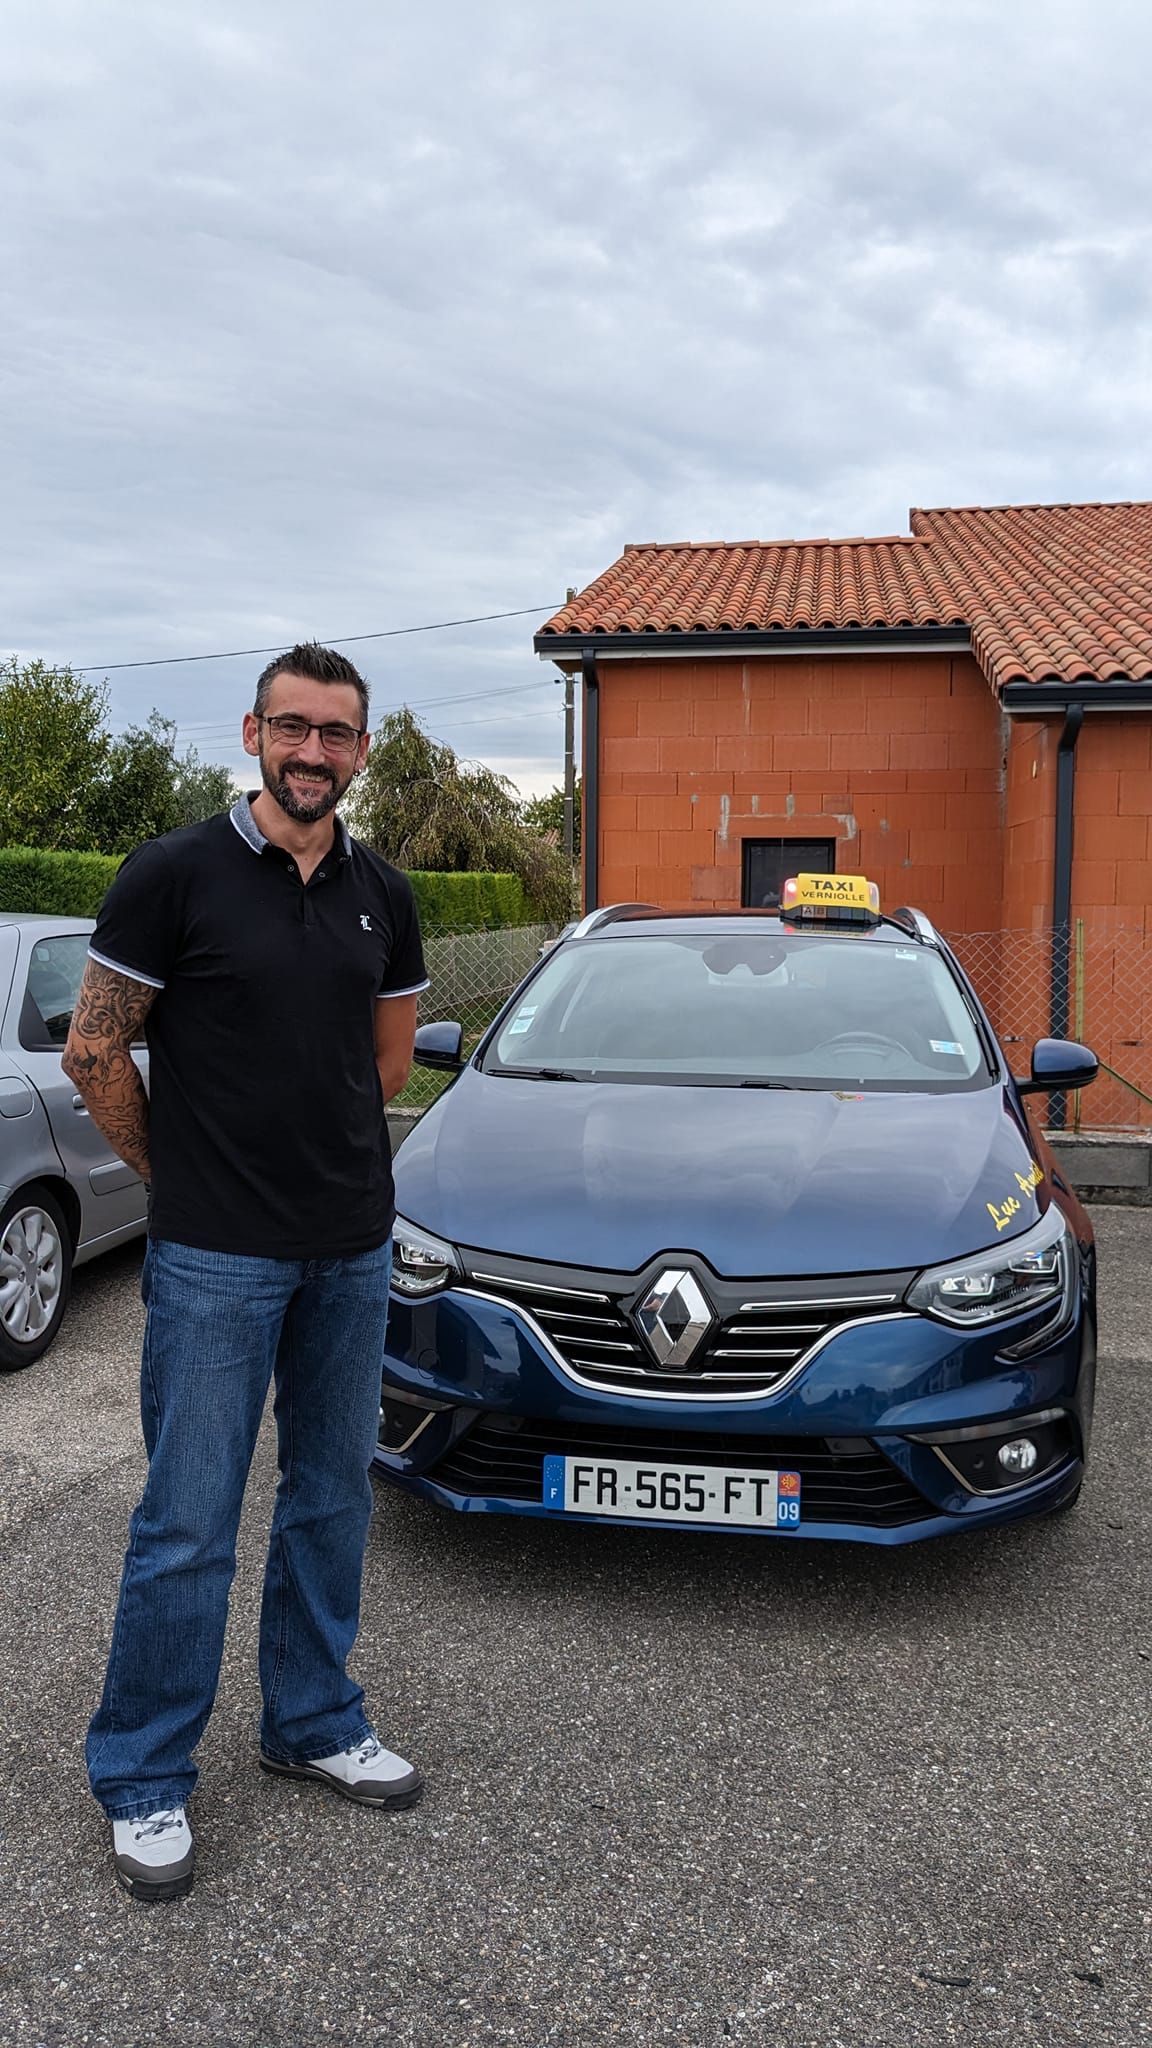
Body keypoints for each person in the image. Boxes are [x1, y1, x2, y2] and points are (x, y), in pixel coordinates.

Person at [63, 642, 429, 1903]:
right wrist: (181, 1174)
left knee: (331, 1498)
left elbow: (387, 1066)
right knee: (187, 1522)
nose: (313, 751)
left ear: (361, 749)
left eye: (336, 732)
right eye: (293, 726)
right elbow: (95, 1049)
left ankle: (312, 1719)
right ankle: (143, 1773)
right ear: (252, 732)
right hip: (215, 1255)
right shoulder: (173, 872)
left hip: (352, 1250)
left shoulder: (385, 892)